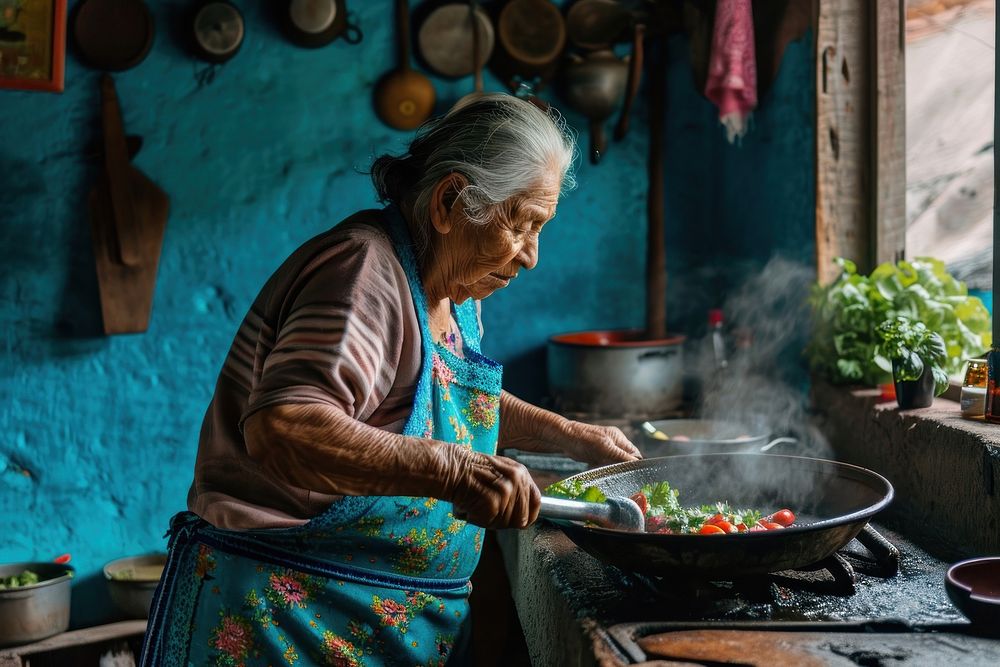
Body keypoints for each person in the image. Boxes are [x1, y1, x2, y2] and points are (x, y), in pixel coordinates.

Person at [140, 93, 639, 666]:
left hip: (369, 620)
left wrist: (569, 435)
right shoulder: (362, 272)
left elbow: (451, 402)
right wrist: (456, 470)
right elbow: (285, 427)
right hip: (283, 623)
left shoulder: (448, 286)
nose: (530, 256)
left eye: (539, 228)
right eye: (522, 223)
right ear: (451, 202)